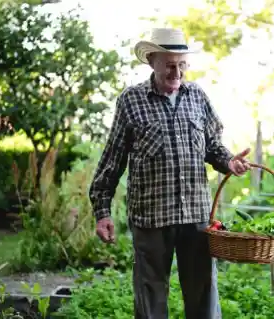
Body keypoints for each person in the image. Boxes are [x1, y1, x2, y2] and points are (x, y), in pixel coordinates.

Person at [88, 28, 251, 319]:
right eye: (170, 65)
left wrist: (229, 162)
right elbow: (112, 159)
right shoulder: (131, 101)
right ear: (152, 60)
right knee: (150, 301)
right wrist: (102, 211)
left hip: (196, 217)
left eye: (182, 65)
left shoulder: (197, 96)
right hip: (151, 217)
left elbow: (212, 145)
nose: (177, 72)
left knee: (204, 298)